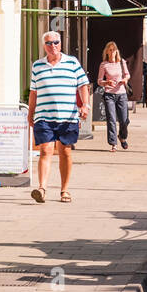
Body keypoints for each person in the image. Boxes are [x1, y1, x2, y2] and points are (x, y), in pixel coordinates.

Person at [27, 31, 90, 204]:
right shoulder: (37, 66)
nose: (53, 46)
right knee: (45, 149)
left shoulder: (72, 62)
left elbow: (83, 85)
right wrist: (30, 112)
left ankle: (64, 190)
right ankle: (42, 188)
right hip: (44, 115)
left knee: (65, 151)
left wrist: (85, 105)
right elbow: (34, 92)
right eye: (49, 43)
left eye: (56, 42)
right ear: (44, 46)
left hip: (67, 117)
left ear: (60, 43)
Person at [97, 42, 131, 152]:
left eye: (114, 50)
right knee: (111, 119)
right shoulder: (104, 64)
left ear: (117, 51)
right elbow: (99, 81)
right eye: (110, 50)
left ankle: (122, 137)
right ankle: (113, 143)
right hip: (109, 94)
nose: (112, 52)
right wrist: (106, 82)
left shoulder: (122, 62)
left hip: (121, 94)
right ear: (106, 52)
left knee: (124, 120)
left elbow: (127, 75)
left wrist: (124, 80)